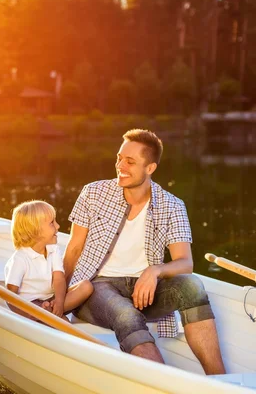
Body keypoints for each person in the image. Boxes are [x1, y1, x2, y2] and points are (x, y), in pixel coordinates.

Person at [63, 129, 226, 375]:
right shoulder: (93, 193)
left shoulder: (172, 205)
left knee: (193, 287)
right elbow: (74, 247)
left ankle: (220, 383)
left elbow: (185, 263)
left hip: (144, 291)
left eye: (130, 162)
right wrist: (61, 295)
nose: (120, 166)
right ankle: (164, 387)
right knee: (126, 315)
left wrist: (155, 270)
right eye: (119, 158)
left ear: (150, 168)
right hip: (95, 287)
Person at [4, 200, 93, 321]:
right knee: (64, 322)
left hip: (50, 299)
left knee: (86, 286)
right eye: (52, 223)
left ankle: (49, 312)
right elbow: (10, 296)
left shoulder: (53, 250)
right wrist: (27, 314)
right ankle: (45, 314)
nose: (58, 226)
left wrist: (59, 302)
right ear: (35, 230)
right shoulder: (20, 258)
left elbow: (59, 279)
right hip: (29, 304)